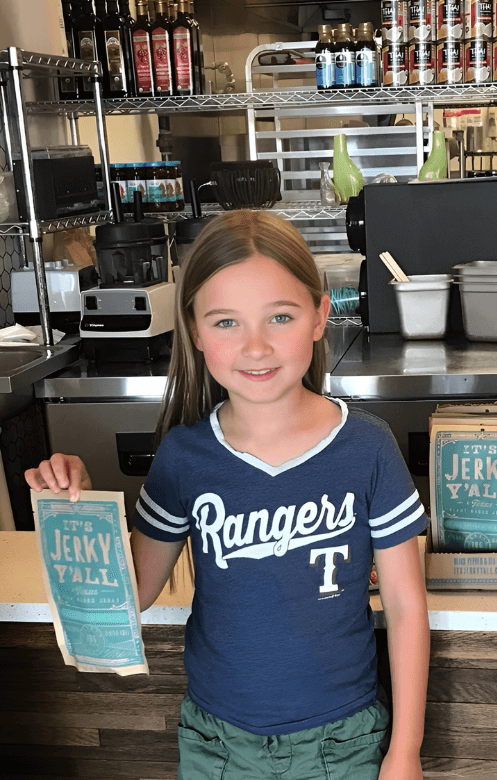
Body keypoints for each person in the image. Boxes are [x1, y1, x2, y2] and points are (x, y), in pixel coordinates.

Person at [26, 211, 430, 780]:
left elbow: (407, 607)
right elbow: (132, 594)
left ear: (320, 315)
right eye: (226, 323)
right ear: (194, 330)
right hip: (217, 744)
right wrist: (76, 504)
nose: (256, 347)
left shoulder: (367, 447)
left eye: (280, 317)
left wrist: (405, 750)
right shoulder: (184, 457)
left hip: (344, 743)